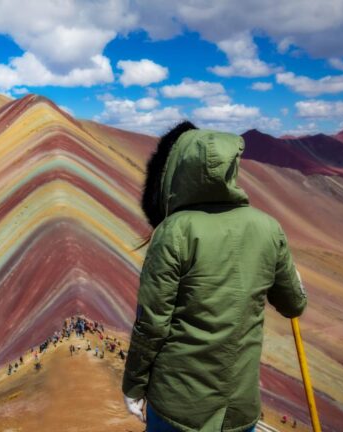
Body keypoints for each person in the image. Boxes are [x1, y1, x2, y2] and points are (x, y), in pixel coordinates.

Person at [122, 122, 308, 432]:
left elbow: (152, 324)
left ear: (180, 169)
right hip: (239, 408)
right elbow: (293, 305)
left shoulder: (173, 231)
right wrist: (296, 283)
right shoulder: (268, 228)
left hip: (177, 407)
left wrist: (133, 386)